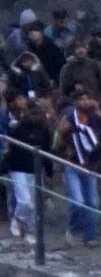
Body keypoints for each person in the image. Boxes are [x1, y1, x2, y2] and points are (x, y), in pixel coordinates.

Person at [56, 88, 101, 247]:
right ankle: (73, 229)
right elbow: (57, 141)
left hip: (91, 166)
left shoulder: (97, 119)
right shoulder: (68, 119)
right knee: (77, 202)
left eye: (87, 98)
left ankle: (90, 235)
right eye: (81, 99)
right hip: (72, 164)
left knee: (92, 202)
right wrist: (63, 153)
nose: (84, 102)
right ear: (75, 102)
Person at [2, 95, 50, 247]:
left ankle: (28, 232)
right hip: (18, 170)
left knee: (34, 205)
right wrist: (4, 167)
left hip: (35, 172)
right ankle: (16, 220)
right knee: (25, 202)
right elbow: (11, 150)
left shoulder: (44, 130)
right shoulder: (17, 129)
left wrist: (48, 171)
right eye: (32, 112)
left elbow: (47, 152)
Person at [25, 21, 66, 87]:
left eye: (35, 31)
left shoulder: (49, 44)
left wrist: (52, 78)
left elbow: (56, 63)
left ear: (41, 33)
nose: (32, 34)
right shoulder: (30, 46)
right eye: (30, 33)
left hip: (56, 73)